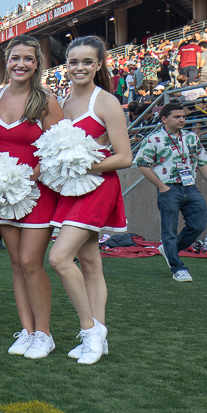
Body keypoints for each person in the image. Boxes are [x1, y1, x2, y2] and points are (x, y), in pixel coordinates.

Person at [47, 36, 132, 365]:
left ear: (98, 65)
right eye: (73, 62)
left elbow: (124, 156)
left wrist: (80, 164)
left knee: (59, 258)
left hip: (97, 187)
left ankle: (91, 332)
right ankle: (100, 335)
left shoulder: (106, 101)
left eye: (86, 62)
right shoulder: (63, 103)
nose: (79, 68)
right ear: (65, 66)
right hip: (70, 188)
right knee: (91, 263)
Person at [0, 35, 63, 359]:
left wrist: (32, 172)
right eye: (15, 57)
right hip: (3, 192)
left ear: (37, 64)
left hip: (37, 192)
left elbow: (60, 148)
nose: (20, 64)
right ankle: (27, 330)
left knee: (32, 262)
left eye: (28, 59)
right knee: (16, 264)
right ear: (6, 60)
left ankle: (44, 333)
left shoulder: (45, 100)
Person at [135, 103, 207, 282]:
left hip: (190, 186)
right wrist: (161, 186)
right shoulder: (154, 139)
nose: (182, 119)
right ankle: (177, 268)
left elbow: (203, 161)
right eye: (177, 117)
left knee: (198, 224)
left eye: (183, 116)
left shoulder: (192, 138)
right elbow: (142, 164)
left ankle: (168, 250)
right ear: (164, 119)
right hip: (168, 188)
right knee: (169, 230)